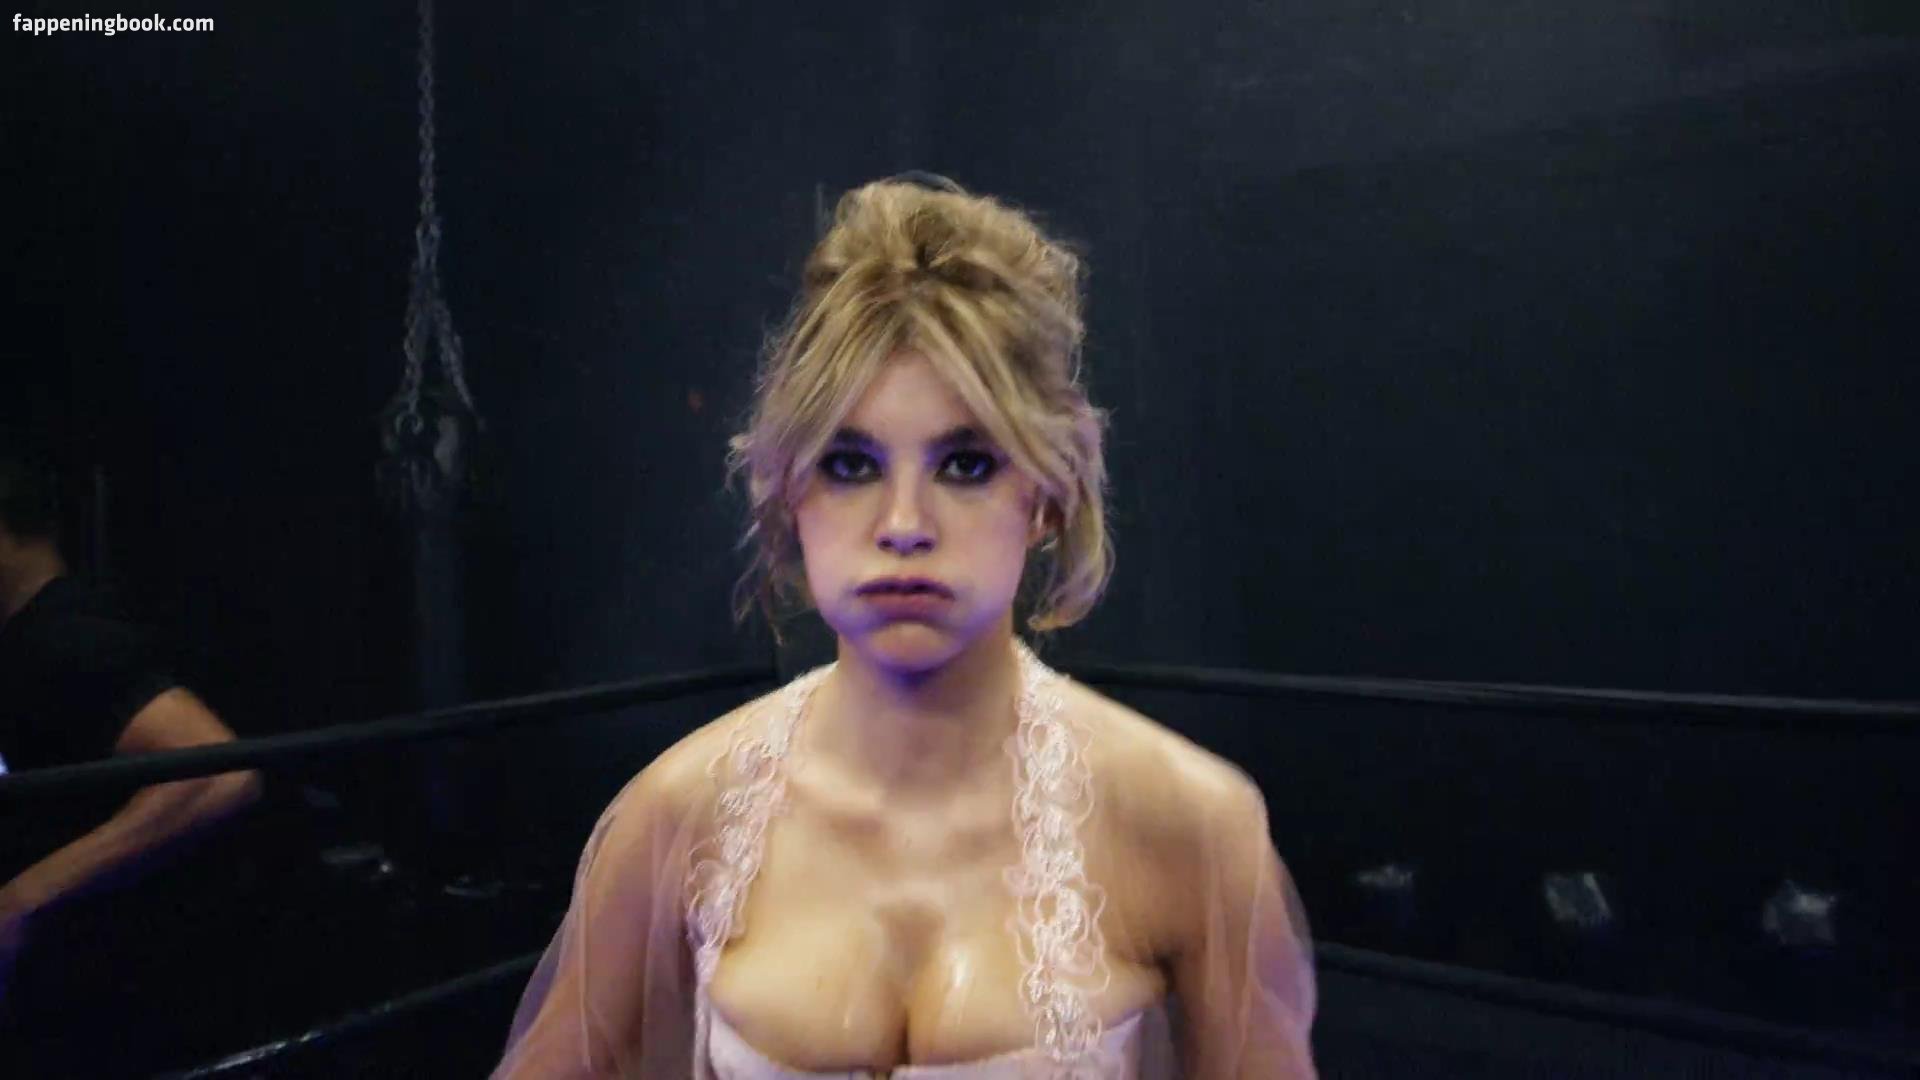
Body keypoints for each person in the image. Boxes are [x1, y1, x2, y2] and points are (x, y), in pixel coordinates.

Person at [491, 176, 1318, 1077]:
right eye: (850, 464)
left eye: (967, 463)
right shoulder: (677, 814)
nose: (904, 524)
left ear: (1046, 495)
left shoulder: (1192, 824)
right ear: (790, 490)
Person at [0, 437, 264, 1041]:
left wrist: (22, 898)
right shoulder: (33, 640)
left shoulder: (63, 641)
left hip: (130, 997)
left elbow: (217, 771)